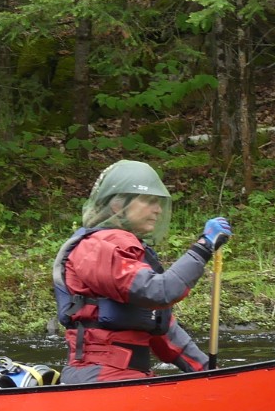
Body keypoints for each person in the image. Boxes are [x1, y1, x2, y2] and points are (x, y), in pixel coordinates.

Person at [52, 160, 233, 384]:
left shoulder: (128, 251)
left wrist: (213, 375)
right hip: (99, 379)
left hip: (131, 378)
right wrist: (203, 247)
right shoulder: (98, 247)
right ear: (117, 205)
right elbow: (160, 292)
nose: (157, 210)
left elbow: (165, 333)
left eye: (158, 203)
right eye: (148, 201)